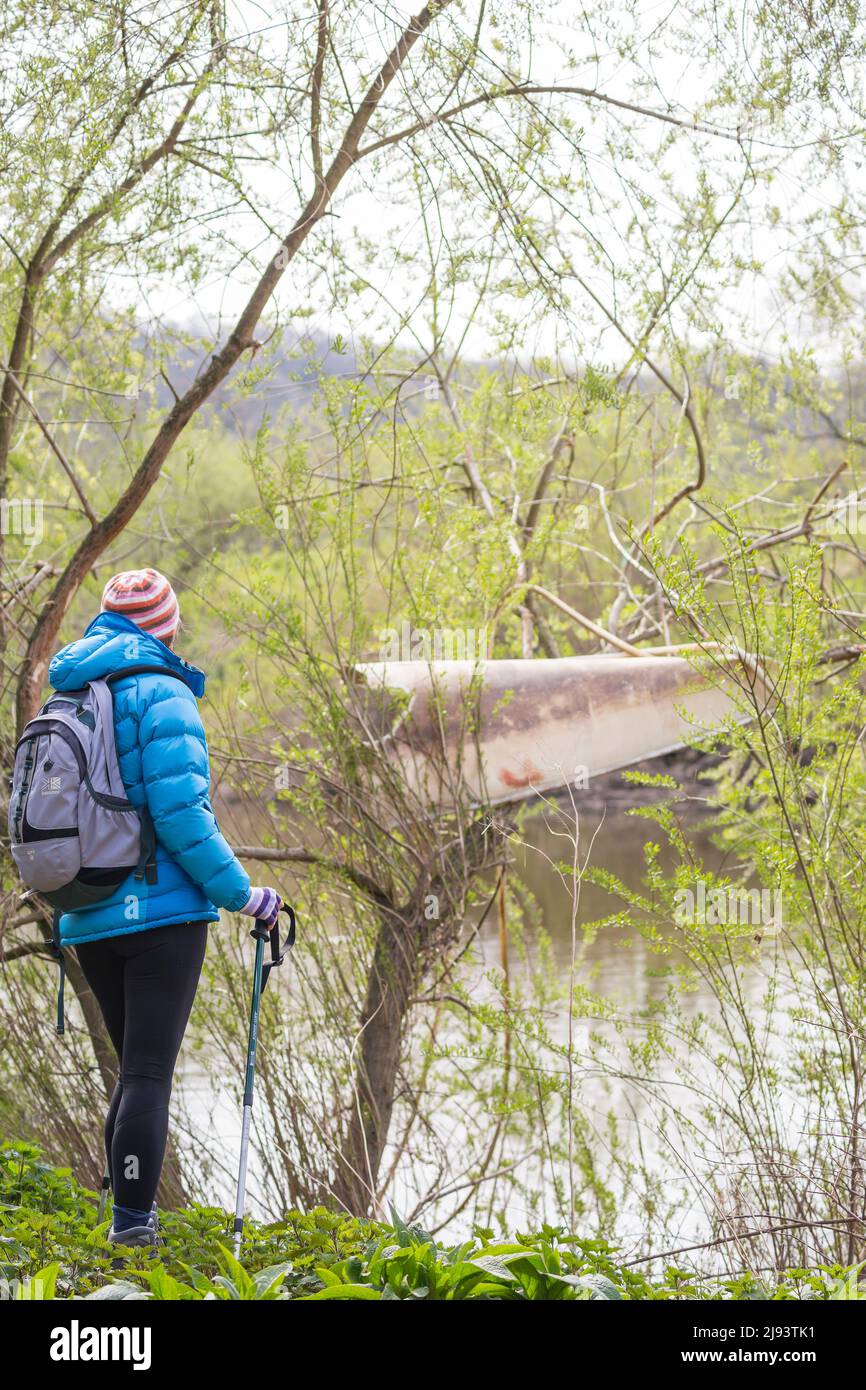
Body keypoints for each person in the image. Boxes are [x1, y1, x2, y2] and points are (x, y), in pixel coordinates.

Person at [48, 567, 282, 1248]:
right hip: (160, 914)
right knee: (149, 1073)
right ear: (167, 626)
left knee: (134, 1070)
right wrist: (246, 895)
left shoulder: (69, 691)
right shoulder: (164, 693)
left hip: (86, 910)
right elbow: (183, 817)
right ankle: (133, 1232)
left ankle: (122, 1218)